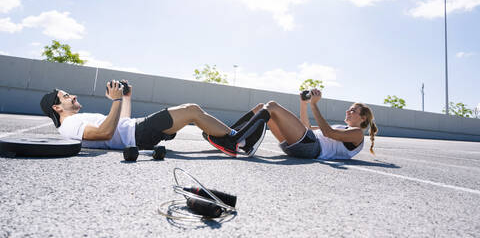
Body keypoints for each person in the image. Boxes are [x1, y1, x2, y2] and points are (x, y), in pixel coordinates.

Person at [40, 80, 265, 158]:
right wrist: (115, 101)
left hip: (136, 130)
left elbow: (119, 124)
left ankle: (227, 140)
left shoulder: (75, 120)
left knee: (191, 114)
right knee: (191, 110)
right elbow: (104, 134)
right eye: (67, 96)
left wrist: (125, 98)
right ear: (57, 107)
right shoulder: (69, 125)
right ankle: (237, 141)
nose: (73, 96)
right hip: (138, 135)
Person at [207, 89, 378, 160]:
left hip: (312, 148)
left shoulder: (356, 134)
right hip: (302, 144)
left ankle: (234, 141)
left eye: (353, 111)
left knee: (272, 105)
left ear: (363, 118)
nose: (348, 112)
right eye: (349, 109)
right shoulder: (344, 128)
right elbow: (307, 129)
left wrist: (314, 105)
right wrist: (304, 104)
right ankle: (229, 135)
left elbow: (327, 134)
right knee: (263, 107)